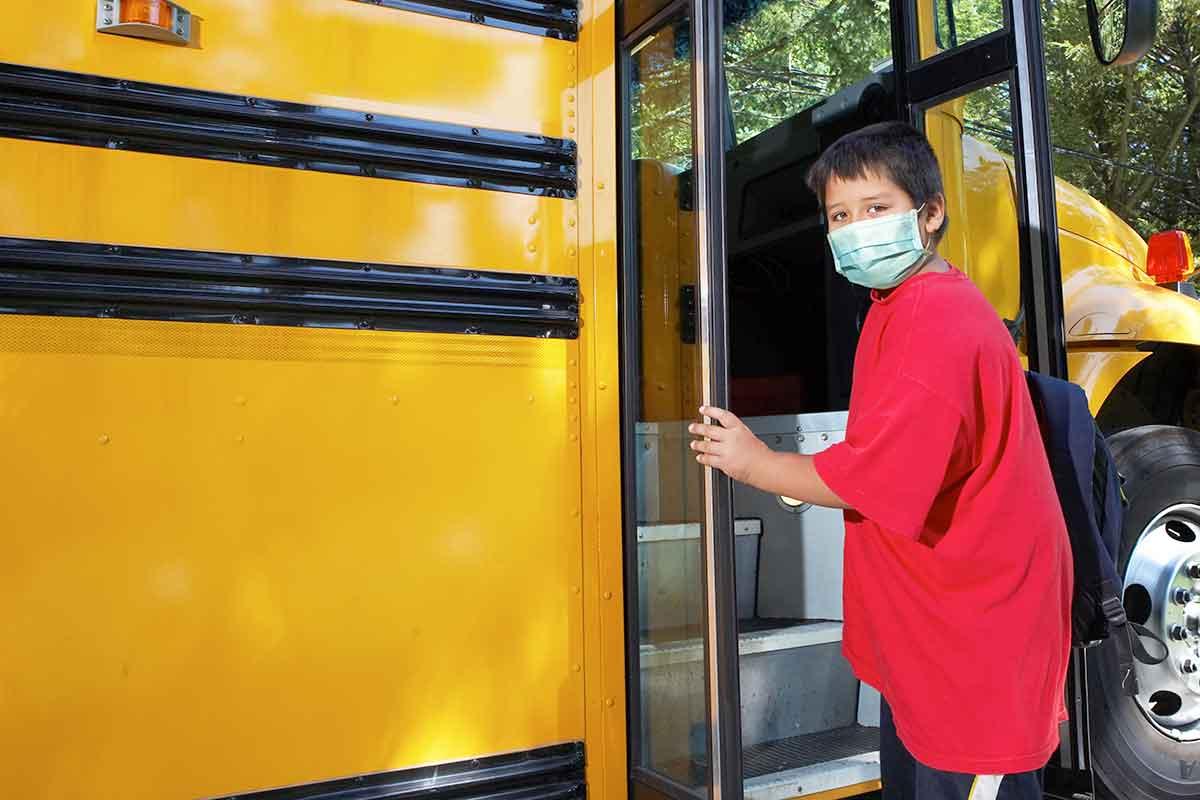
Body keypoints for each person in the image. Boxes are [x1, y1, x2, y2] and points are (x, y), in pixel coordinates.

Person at [687, 121, 1073, 800]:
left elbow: (877, 475)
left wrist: (754, 463)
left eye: (877, 208)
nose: (855, 227)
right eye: (839, 215)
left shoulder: (935, 323)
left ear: (930, 214)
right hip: (934, 636)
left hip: (973, 648)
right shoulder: (898, 305)